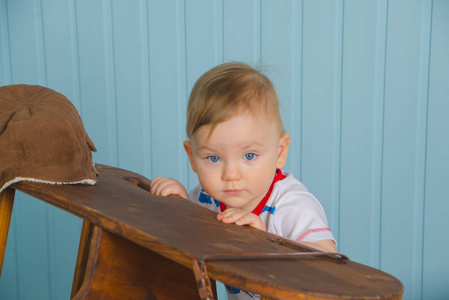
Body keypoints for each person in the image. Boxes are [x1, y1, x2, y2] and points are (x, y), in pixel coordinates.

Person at [150, 62, 337, 299]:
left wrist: (265, 245)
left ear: (280, 152)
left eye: (249, 155)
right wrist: (180, 206)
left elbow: (328, 265)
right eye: (213, 157)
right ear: (192, 157)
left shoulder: (292, 205)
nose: (231, 175)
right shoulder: (207, 198)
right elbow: (188, 241)